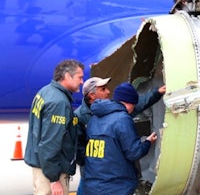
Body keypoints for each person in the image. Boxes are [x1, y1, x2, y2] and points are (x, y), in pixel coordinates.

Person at [84, 82, 165, 195]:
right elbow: (134, 153)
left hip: (93, 185)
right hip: (117, 186)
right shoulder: (122, 119)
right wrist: (147, 142)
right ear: (129, 103)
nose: (134, 109)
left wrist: (156, 93)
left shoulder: (95, 118)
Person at [24, 59, 85, 195]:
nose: (82, 82)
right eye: (80, 77)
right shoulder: (59, 103)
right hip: (50, 171)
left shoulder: (45, 92)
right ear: (68, 76)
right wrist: (54, 179)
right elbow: (50, 143)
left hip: (41, 165)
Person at [74, 77, 111, 195]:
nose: (108, 92)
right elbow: (77, 147)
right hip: (92, 171)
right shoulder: (79, 117)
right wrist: (91, 163)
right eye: (103, 89)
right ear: (92, 95)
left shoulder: (109, 109)